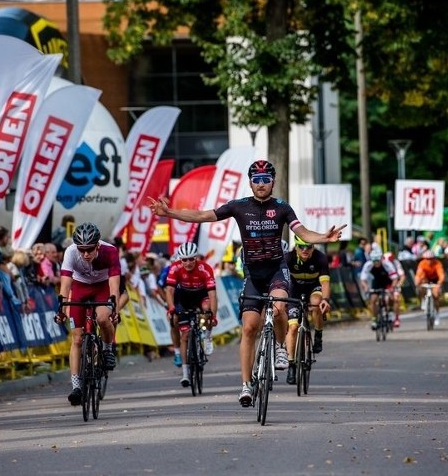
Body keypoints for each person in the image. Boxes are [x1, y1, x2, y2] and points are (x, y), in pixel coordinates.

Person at [147, 159, 346, 407]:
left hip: (276, 270)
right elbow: (202, 215)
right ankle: (245, 385)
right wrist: (170, 213)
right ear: (250, 182)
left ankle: (282, 348)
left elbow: (302, 233)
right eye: (256, 179)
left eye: (265, 179)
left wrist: (323, 238)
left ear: (272, 181)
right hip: (253, 274)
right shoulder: (239, 207)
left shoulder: (282, 208)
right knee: (249, 328)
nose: (261, 184)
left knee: (280, 306)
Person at [54, 223, 128, 406]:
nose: (85, 254)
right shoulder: (70, 252)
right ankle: (76, 386)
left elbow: (114, 286)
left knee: (103, 318)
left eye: (89, 249)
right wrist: (61, 310)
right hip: (80, 287)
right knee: (77, 339)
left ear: (97, 245)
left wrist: (115, 311)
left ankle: (107, 348)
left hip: (102, 286)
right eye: (82, 250)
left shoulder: (110, 251)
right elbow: (65, 285)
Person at [165, 242, 218, 388]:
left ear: (196, 258)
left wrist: (213, 316)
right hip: (184, 297)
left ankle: (207, 336)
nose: (188, 263)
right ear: (180, 260)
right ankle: (185, 373)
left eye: (191, 259)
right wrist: (171, 308)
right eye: (184, 260)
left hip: (201, 295)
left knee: (207, 308)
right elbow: (169, 291)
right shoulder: (174, 268)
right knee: (185, 336)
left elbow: (213, 295)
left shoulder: (205, 268)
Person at [284, 235, 332, 385]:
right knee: (292, 327)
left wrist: (325, 300)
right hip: (294, 291)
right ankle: (291, 365)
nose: (305, 250)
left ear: (314, 247)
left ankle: (318, 334)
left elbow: (324, 283)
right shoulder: (288, 258)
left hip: (314, 287)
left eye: (309, 247)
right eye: (301, 247)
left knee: (316, 303)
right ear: (296, 247)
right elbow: (281, 281)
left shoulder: (320, 258)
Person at [360, 251, 401, 330]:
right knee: (373, 300)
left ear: (381, 259)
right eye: (374, 261)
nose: (376, 263)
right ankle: (374, 319)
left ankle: (390, 313)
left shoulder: (387, 264)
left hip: (387, 282)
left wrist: (392, 288)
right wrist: (366, 287)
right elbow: (362, 279)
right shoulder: (368, 265)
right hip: (376, 282)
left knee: (390, 298)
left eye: (378, 261)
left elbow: (395, 278)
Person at [414, 250, 445, 326]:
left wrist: (439, 283)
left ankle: (437, 314)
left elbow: (441, 275)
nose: (429, 261)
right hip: (426, 279)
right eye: (427, 259)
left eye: (431, 259)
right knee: (420, 288)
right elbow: (418, 275)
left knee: (436, 295)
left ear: (434, 258)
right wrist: (417, 283)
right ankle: (423, 300)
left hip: (435, 280)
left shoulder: (438, 263)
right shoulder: (422, 263)